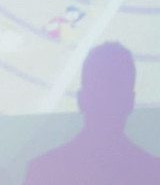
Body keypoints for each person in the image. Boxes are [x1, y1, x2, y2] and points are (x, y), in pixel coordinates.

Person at [24, 41, 160, 184]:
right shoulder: (152, 173)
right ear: (130, 102)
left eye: (112, 94)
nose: (107, 103)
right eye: (102, 94)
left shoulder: (44, 171)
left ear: (81, 99)